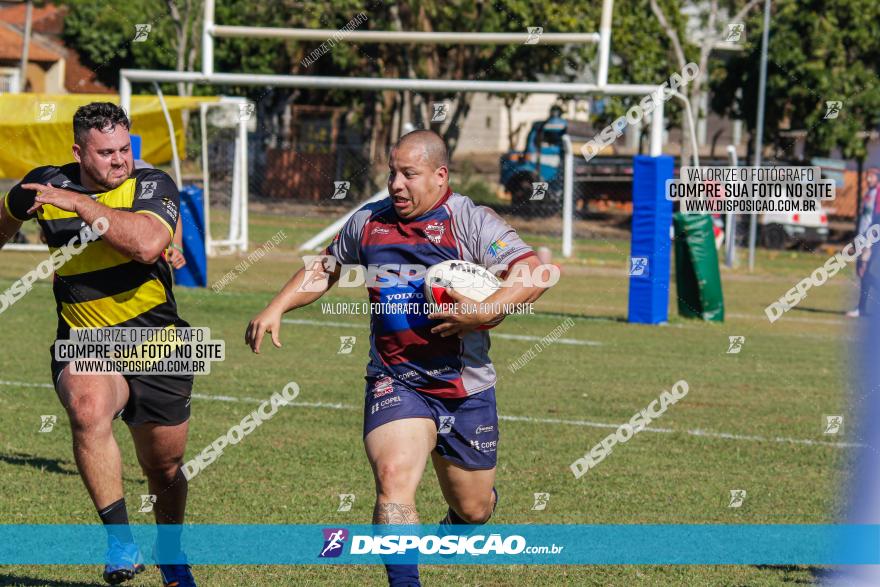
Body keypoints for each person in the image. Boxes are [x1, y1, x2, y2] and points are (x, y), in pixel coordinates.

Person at [246, 130, 552, 586]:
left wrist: (486, 309)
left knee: (473, 508)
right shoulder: (369, 222)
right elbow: (327, 266)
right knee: (393, 478)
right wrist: (277, 305)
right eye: (392, 172)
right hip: (396, 380)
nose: (395, 184)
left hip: (465, 388)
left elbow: (533, 271)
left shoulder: (470, 221)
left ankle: (463, 521)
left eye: (409, 174)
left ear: (439, 175)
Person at [0, 102, 196, 587]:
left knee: (164, 467)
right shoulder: (46, 183)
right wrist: (11, 222)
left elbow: (149, 244)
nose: (119, 160)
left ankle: (171, 556)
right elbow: (5, 219)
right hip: (85, 341)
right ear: (78, 152)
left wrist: (82, 206)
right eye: (106, 152)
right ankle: (120, 544)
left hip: (158, 346)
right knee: (87, 408)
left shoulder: (153, 184)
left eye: (124, 149)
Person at [850, 168, 879, 317]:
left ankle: (861, 308)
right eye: (867, 176)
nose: (868, 179)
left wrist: (869, 243)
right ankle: (861, 308)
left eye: (872, 176)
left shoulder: (878, 194)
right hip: (863, 239)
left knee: (867, 273)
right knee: (862, 273)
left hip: (872, 241)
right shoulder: (869, 193)